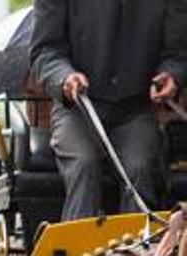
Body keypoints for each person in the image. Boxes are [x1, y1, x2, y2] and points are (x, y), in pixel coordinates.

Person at [32, 0, 187, 220]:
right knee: (83, 166)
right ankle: (79, 251)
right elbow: (45, 51)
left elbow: (178, 52)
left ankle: (139, 251)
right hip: (77, 109)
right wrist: (64, 76)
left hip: (134, 109)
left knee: (140, 169)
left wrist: (171, 74)